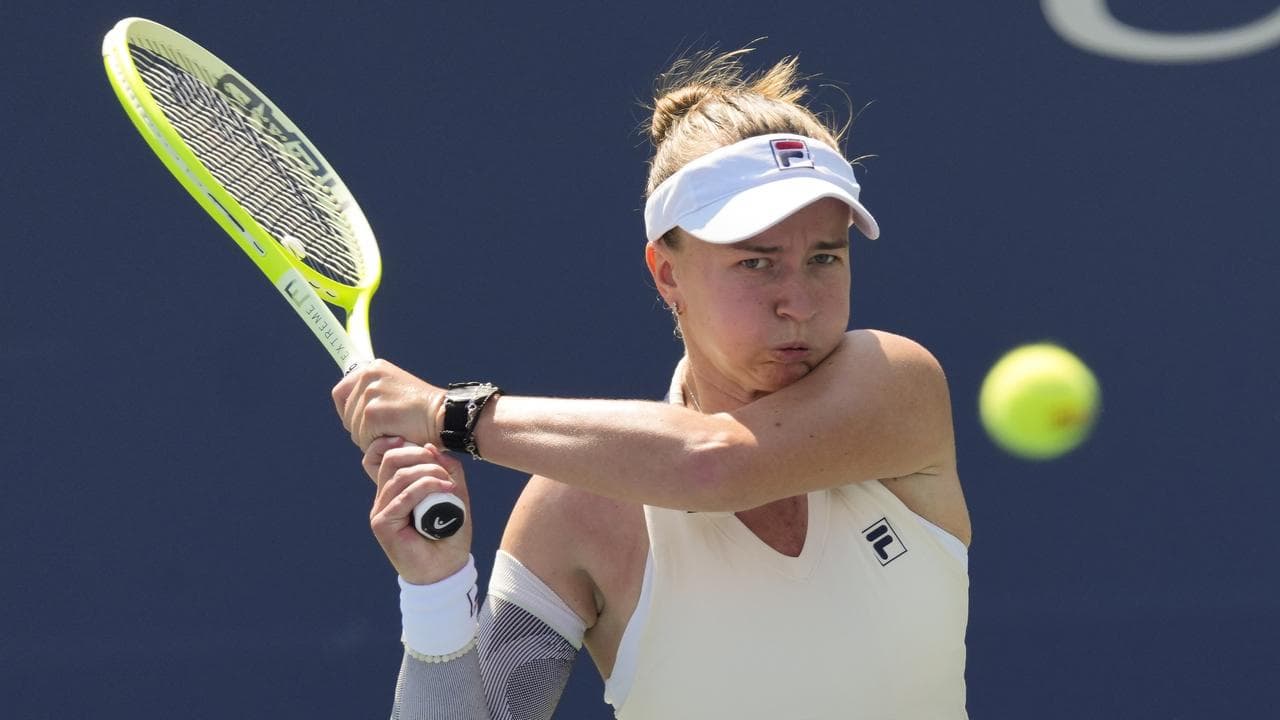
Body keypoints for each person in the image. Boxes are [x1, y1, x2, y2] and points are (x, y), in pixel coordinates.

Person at [333, 47, 972, 720]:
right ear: (668, 274)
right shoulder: (579, 511)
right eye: (756, 263)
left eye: (824, 259)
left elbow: (713, 464)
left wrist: (449, 414)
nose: (799, 303)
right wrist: (435, 591)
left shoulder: (896, 383)